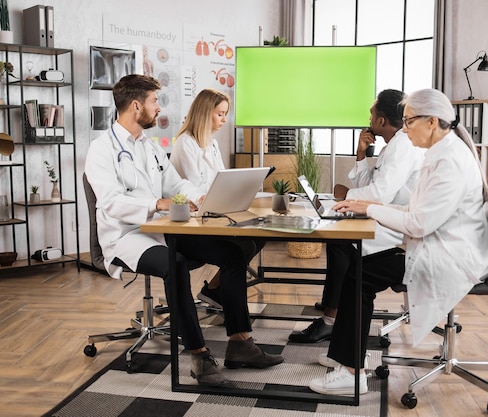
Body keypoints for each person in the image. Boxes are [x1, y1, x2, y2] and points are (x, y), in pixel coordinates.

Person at [85, 75, 283, 387]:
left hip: (161, 229)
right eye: (154, 102)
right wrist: (157, 203)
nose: (158, 108)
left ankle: (240, 343)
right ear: (136, 106)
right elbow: (110, 203)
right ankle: (199, 357)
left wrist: (198, 196)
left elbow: (174, 183)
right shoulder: (101, 149)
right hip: (127, 236)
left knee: (233, 254)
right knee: (174, 265)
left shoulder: (148, 146)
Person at [308, 88, 488, 395]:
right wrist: (367, 207)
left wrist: (370, 207)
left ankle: (351, 371)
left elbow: (419, 223)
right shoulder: (441, 153)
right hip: (438, 246)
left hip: (449, 258)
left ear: (432, 122)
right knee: (360, 271)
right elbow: (414, 210)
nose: (403, 129)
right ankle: (348, 357)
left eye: (409, 122)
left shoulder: (450, 162)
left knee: (359, 276)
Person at [288, 89, 425, 349]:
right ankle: (333, 308)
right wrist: (361, 154)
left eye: (372, 114)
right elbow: (374, 185)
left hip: (398, 226)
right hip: (387, 216)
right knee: (338, 238)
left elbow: (378, 194)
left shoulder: (402, 148)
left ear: (381, 121)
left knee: (341, 242)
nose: (369, 119)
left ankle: (330, 318)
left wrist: (347, 194)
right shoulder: (393, 146)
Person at [170, 88, 264, 309]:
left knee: (258, 238)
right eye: (220, 113)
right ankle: (219, 295)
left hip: (215, 211)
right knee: (243, 245)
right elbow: (197, 187)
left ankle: (214, 289)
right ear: (204, 112)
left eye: (225, 113)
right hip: (193, 219)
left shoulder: (212, 143)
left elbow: (221, 179)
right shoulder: (185, 143)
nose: (224, 119)